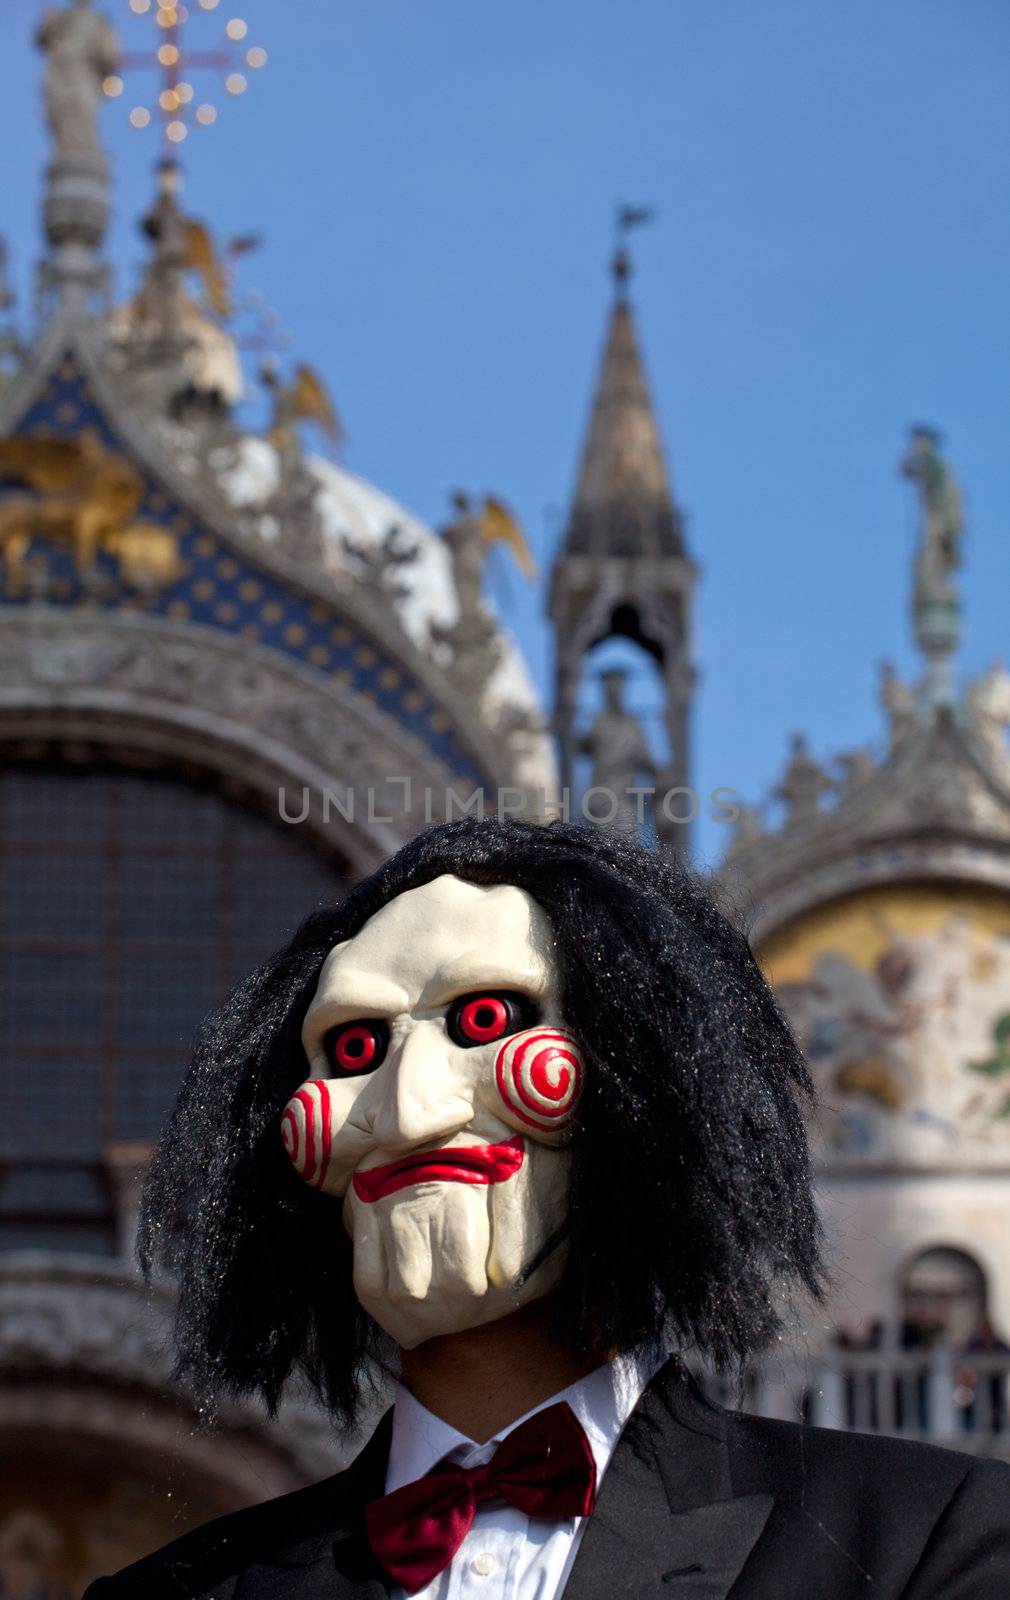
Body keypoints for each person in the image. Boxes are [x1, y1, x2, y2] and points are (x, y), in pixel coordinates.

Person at [84, 819, 1010, 1598]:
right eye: (357, 1046)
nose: (407, 1109)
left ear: (646, 1082)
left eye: (486, 1021)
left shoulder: (918, 1548)